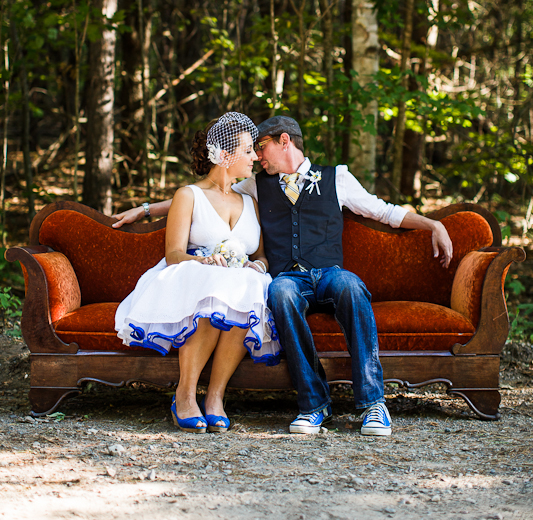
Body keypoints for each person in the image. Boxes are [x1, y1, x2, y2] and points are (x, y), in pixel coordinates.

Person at [113, 116, 453, 438]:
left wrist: (433, 224)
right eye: (252, 150)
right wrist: (144, 210)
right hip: (290, 278)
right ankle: (314, 405)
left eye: (261, 147)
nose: (257, 156)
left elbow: (384, 211)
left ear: (284, 142)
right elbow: (206, 192)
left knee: (351, 286)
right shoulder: (257, 185)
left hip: (330, 273)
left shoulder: (338, 178)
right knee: (279, 292)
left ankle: (373, 404)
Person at [114, 112, 281, 435]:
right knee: (213, 287)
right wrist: (204, 262)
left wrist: (256, 266)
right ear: (225, 155)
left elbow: (260, 256)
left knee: (247, 286)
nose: (255, 157)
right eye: (248, 151)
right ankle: (185, 394)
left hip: (239, 282)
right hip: (193, 276)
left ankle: (216, 396)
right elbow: (174, 254)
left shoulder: (250, 201)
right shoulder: (188, 195)